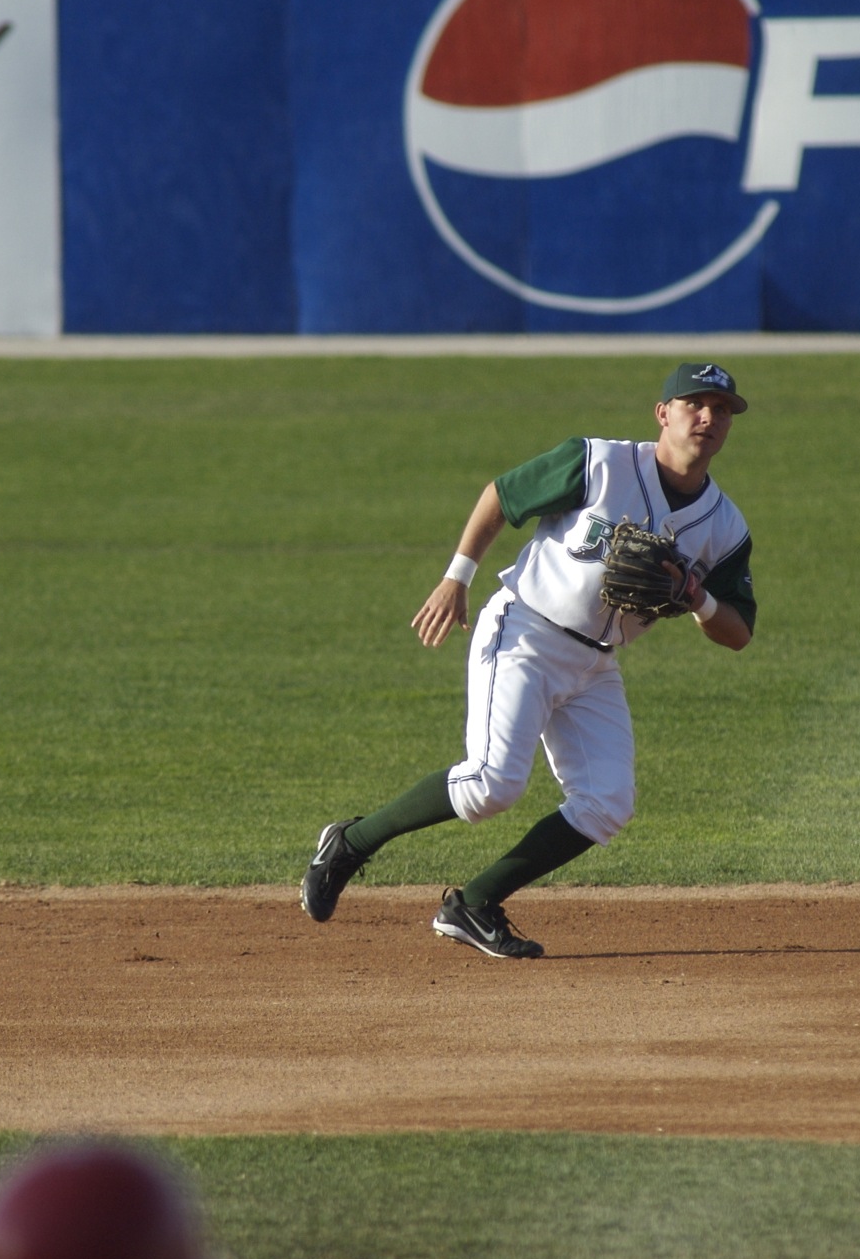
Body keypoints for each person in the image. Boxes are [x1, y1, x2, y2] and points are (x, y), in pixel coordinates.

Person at [300, 362, 757, 958]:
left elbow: (738, 631)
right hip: (524, 632)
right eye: (694, 404)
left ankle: (473, 904)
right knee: (492, 786)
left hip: (596, 665)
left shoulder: (724, 526)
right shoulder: (599, 462)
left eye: (721, 410)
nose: (708, 418)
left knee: (606, 804)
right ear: (662, 413)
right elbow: (503, 494)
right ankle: (350, 842)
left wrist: (697, 597)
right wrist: (455, 577)